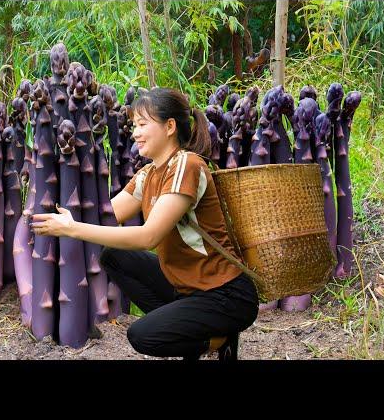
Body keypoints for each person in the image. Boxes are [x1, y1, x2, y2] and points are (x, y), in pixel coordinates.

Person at [30, 87, 259, 361]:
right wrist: (64, 211)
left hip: (227, 294)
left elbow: (148, 237)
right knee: (113, 257)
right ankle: (188, 324)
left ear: (170, 126)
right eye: (134, 125)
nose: (135, 133)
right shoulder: (148, 174)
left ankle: (219, 338)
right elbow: (105, 216)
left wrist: (72, 229)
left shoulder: (186, 165)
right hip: (188, 289)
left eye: (142, 124)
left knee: (143, 335)